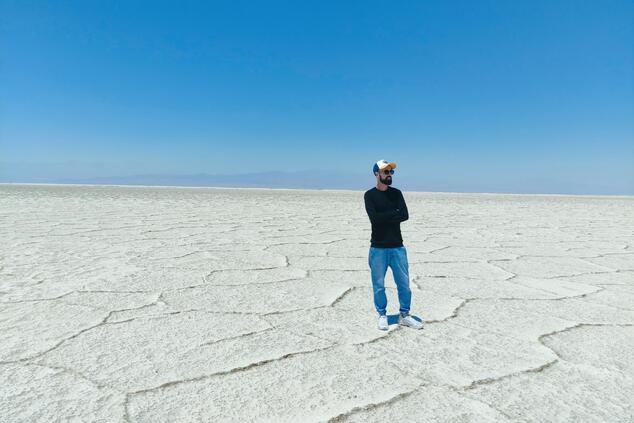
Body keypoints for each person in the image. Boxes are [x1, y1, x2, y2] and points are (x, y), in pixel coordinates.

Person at [364, 160, 423, 331]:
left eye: (391, 172)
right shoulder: (369, 195)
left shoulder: (397, 193)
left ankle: (404, 315)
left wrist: (384, 215)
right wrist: (393, 213)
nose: (389, 175)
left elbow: (404, 215)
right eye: (385, 172)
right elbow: (374, 220)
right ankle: (382, 315)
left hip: (397, 247)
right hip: (378, 248)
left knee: (404, 284)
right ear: (377, 174)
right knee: (379, 285)